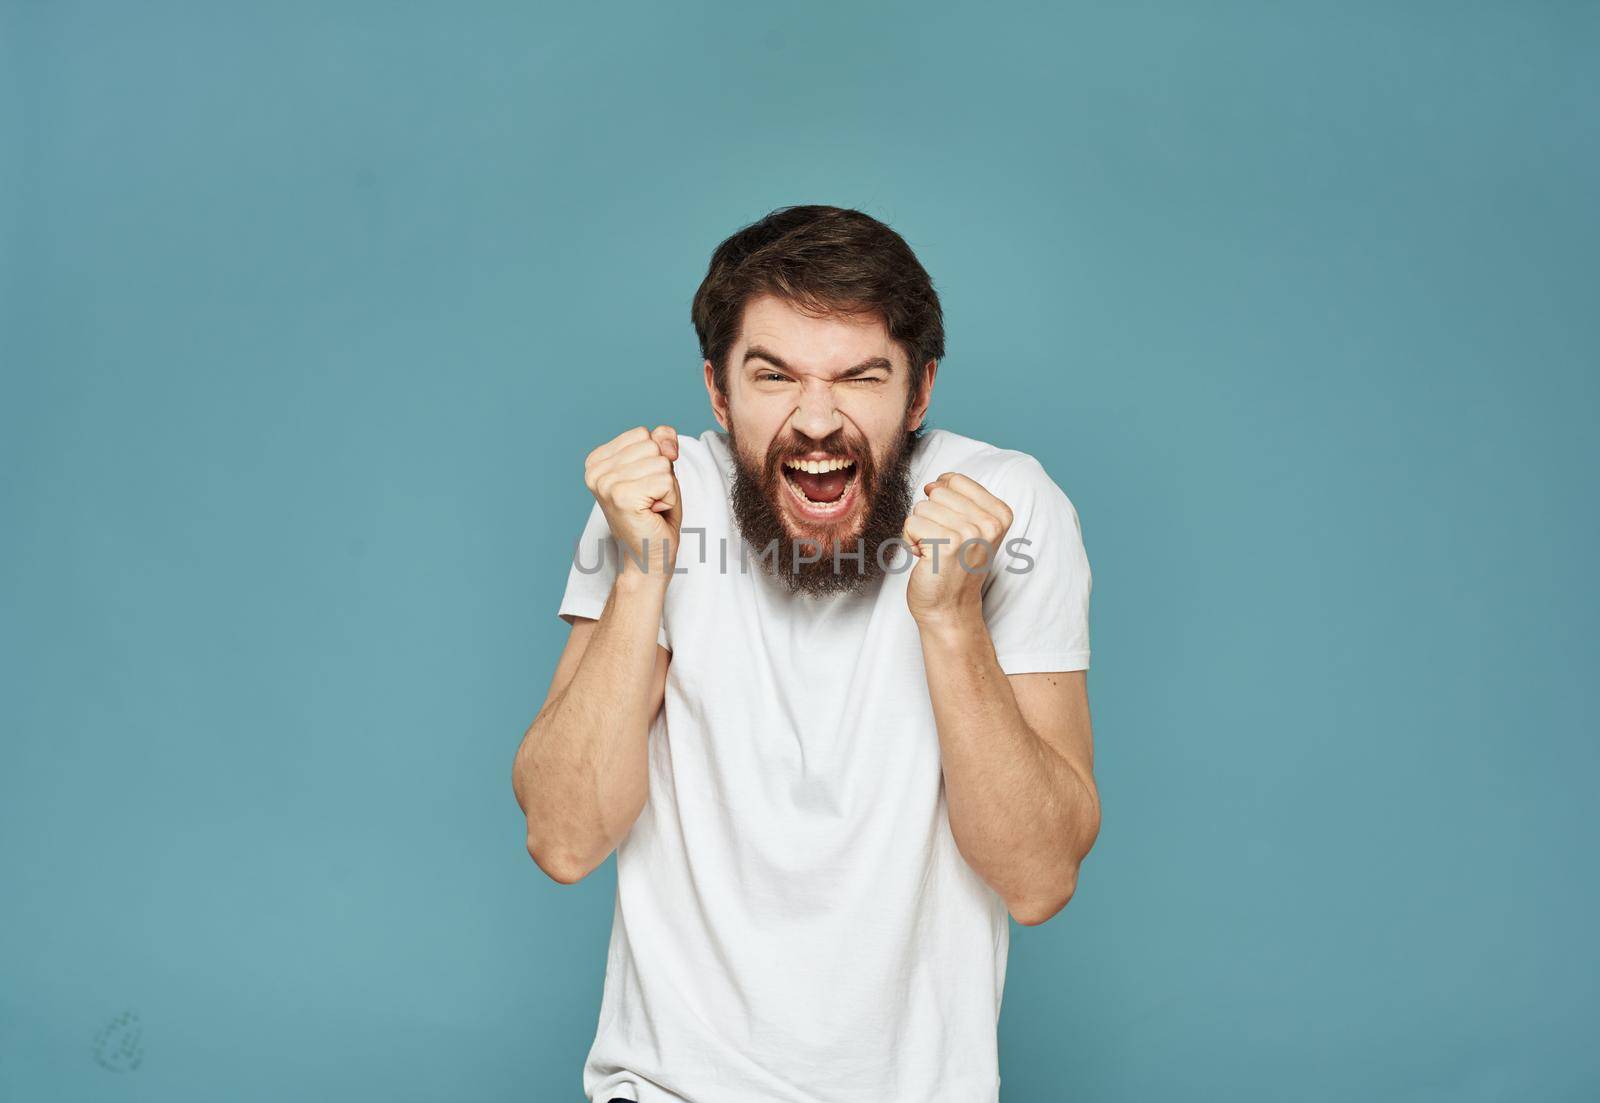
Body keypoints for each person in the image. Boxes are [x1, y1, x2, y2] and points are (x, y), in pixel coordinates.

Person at [511, 205, 1101, 1103]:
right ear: (718, 392)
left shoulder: (1004, 512)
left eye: (860, 377)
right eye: (774, 375)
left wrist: (951, 620)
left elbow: (1039, 875)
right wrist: (641, 574)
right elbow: (562, 838)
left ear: (920, 392)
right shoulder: (661, 505)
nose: (817, 420)